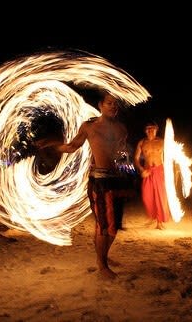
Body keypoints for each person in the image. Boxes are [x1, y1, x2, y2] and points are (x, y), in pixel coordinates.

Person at [36, 93, 130, 279]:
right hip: (100, 182)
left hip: (116, 179)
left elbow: (121, 154)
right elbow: (72, 147)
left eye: (116, 104)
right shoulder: (89, 126)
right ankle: (102, 265)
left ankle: (103, 256)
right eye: (109, 103)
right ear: (100, 105)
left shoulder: (121, 128)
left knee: (114, 226)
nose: (113, 106)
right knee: (104, 226)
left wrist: (124, 163)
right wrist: (51, 145)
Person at [133, 121, 170, 229]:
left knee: (160, 196)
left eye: (152, 128)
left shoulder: (162, 142)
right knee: (147, 196)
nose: (150, 130)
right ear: (145, 130)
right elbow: (136, 158)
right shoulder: (142, 142)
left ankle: (159, 222)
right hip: (147, 171)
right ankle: (152, 217)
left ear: (156, 129)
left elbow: (170, 156)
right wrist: (141, 169)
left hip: (159, 170)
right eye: (148, 128)